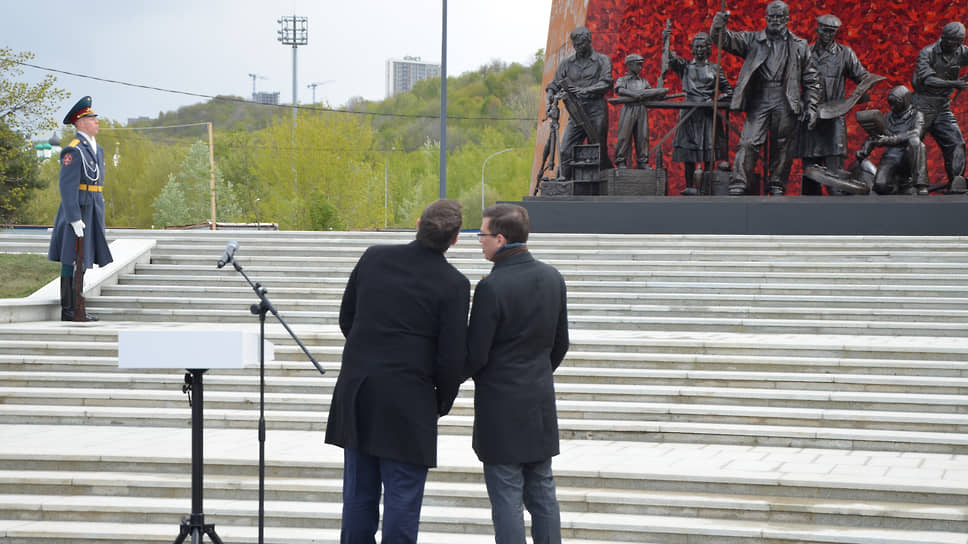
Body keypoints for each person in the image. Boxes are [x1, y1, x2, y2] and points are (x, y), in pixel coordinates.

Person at [325, 199, 470, 544]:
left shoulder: (374, 257)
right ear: (455, 240)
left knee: (358, 494)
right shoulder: (454, 284)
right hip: (409, 399)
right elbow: (450, 357)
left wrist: (370, 354)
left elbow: (347, 318)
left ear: (417, 223)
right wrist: (442, 402)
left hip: (359, 391)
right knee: (402, 497)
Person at [464, 204, 569, 544]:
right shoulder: (553, 277)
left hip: (500, 407)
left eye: (481, 235)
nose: (479, 242)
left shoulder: (491, 288)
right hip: (538, 401)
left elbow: (476, 354)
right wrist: (536, 373)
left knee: (506, 497)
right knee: (542, 492)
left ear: (500, 238)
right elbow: (560, 344)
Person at [710, 0, 821, 196]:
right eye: (771, 16)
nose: (774, 20)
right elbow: (723, 40)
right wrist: (719, 24)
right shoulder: (752, 39)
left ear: (787, 19)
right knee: (748, 141)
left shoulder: (800, 45)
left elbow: (811, 79)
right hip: (760, 97)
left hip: (787, 98)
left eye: (779, 17)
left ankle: (777, 182)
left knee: (783, 144)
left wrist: (811, 106)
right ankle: (739, 181)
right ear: (766, 17)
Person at [47, 95, 112, 321]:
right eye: (92, 118)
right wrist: (74, 218)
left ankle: (78, 307)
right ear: (80, 122)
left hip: (93, 209)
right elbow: (67, 187)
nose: (96, 121)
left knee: (83, 259)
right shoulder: (73, 150)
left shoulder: (97, 149)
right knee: (70, 258)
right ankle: (69, 310)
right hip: (77, 211)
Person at [797, 14, 871, 195]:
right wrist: (800, 105)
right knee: (810, 171)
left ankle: (836, 206)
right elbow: (791, 81)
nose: (828, 34)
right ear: (817, 29)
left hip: (834, 117)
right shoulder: (805, 52)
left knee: (835, 169)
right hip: (811, 116)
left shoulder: (845, 53)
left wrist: (858, 96)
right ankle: (808, 210)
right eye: (825, 30)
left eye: (832, 31)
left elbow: (864, 77)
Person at [667, 31, 733, 195]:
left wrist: (717, 99)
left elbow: (728, 90)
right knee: (688, 151)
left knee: (708, 150)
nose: (700, 49)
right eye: (697, 46)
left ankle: (707, 187)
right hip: (689, 113)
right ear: (692, 49)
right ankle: (690, 186)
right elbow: (670, 59)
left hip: (708, 114)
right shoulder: (685, 67)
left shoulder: (715, 68)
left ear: (708, 49)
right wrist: (665, 40)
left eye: (703, 46)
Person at [546, 26, 613, 179]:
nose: (577, 48)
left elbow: (607, 82)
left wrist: (586, 90)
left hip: (596, 110)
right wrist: (549, 99)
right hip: (575, 112)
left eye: (580, 45)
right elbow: (554, 84)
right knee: (565, 150)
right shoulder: (567, 63)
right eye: (575, 45)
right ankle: (562, 182)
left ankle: (597, 185)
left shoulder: (602, 60)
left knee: (596, 149)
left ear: (589, 41)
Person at [912, 21, 968, 193]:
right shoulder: (927, 53)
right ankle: (908, 182)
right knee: (912, 142)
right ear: (943, 38)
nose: (955, 45)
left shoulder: (962, 51)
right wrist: (955, 83)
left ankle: (956, 182)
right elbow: (927, 79)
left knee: (956, 142)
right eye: (952, 41)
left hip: (943, 107)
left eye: (959, 42)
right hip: (922, 104)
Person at [859, 86, 929, 195]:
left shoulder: (917, 116)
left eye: (895, 103)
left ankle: (921, 184)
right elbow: (875, 135)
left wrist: (890, 140)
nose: (892, 107)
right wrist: (864, 150)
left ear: (905, 101)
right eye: (890, 103)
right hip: (891, 156)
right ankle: (899, 186)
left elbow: (916, 133)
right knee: (880, 186)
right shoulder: (886, 117)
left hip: (908, 155)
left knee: (915, 142)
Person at [613, 53, 652, 169]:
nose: (640, 67)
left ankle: (642, 161)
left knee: (643, 136)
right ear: (630, 65)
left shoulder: (643, 81)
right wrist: (634, 95)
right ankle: (620, 160)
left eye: (641, 65)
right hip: (628, 109)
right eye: (638, 65)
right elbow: (619, 90)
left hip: (641, 109)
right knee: (624, 135)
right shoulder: (623, 80)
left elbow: (650, 92)